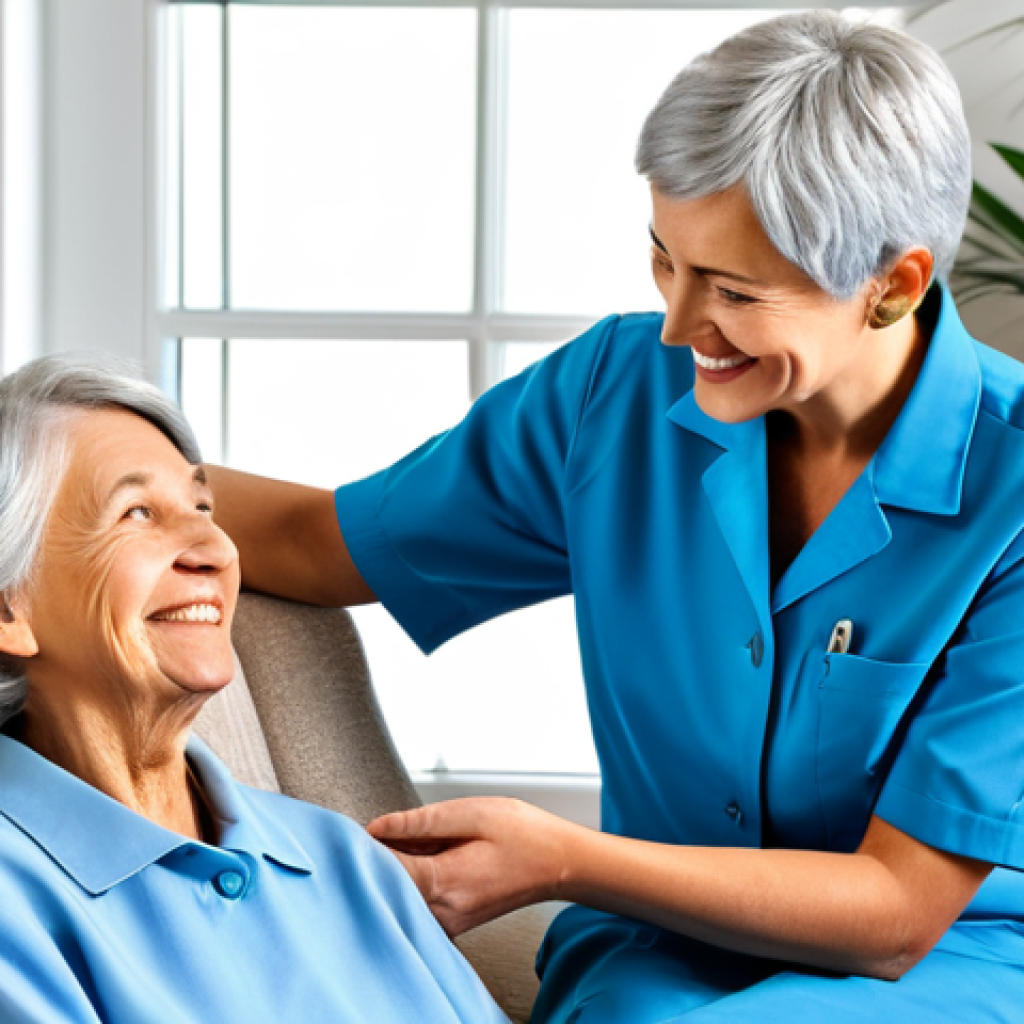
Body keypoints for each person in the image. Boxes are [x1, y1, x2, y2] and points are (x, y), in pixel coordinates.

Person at [207, 11, 1024, 1022]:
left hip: (946, 964)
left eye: (732, 289)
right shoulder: (608, 393)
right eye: (662, 259)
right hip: (655, 952)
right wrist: (91, 467)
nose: (678, 326)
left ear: (891, 287)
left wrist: (557, 856)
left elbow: (898, 910)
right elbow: (324, 542)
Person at [0, 355, 509, 1024]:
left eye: (203, 506)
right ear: (12, 608)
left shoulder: (344, 857)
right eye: (137, 513)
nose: (213, 546)